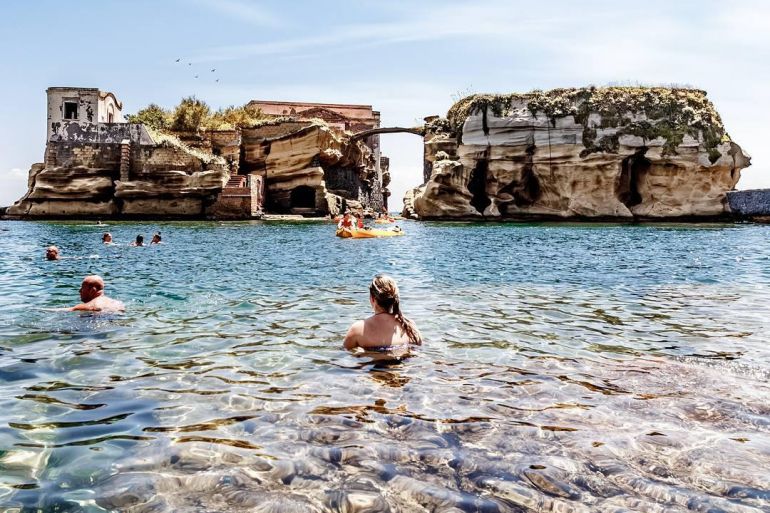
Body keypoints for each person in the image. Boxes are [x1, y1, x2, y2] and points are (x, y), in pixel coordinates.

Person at [344, 274, 422, 350]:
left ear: (372, 299)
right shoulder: (410, 327)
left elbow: (344, 355)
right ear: (394, 300)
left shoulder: (357, 329)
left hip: (372, 362)